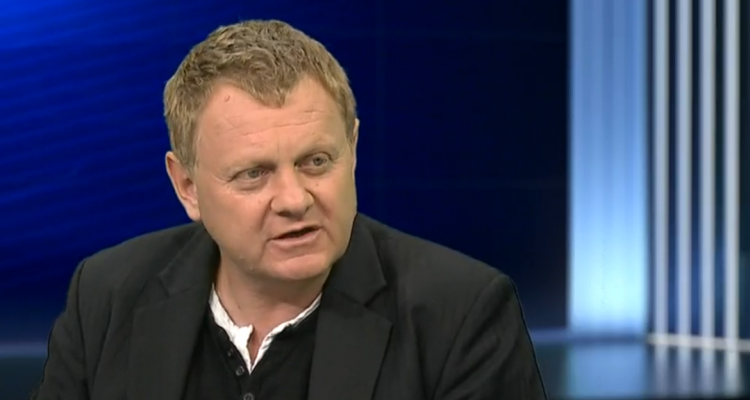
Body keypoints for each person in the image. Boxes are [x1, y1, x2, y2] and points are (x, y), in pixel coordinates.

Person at [31, 19, 546, 400]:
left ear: (353, 150)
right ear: (187, 186)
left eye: (316, 162)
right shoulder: (107, 295)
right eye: (254, 174)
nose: (295, 200)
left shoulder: (460, 314)